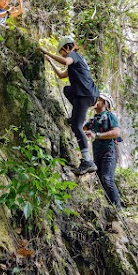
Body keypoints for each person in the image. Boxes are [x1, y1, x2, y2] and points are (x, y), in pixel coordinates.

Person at [40, 36, 99, 175]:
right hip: (87, 94)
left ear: (67, 47)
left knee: (77, 127)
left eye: (62, 52)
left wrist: (47, 52)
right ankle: (76, 116)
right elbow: (61, 75)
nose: (62, 54)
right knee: (67, 89)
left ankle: (88, 161)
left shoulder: (73, 55)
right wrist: (50, 62)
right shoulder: (77, 62)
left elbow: (66, 61)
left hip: (84, 94)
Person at [84, 93, 122, 209]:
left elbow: (116, 132)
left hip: (109, 151)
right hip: (97, 153)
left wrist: (97, 135)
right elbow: (82, 128)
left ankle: (117, 209)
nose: (96, 101)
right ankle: (110, 208)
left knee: (107, 179)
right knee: (101, 180)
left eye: (99, 100)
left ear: (105, 103)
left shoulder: (109, 116)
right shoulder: (93, 120)